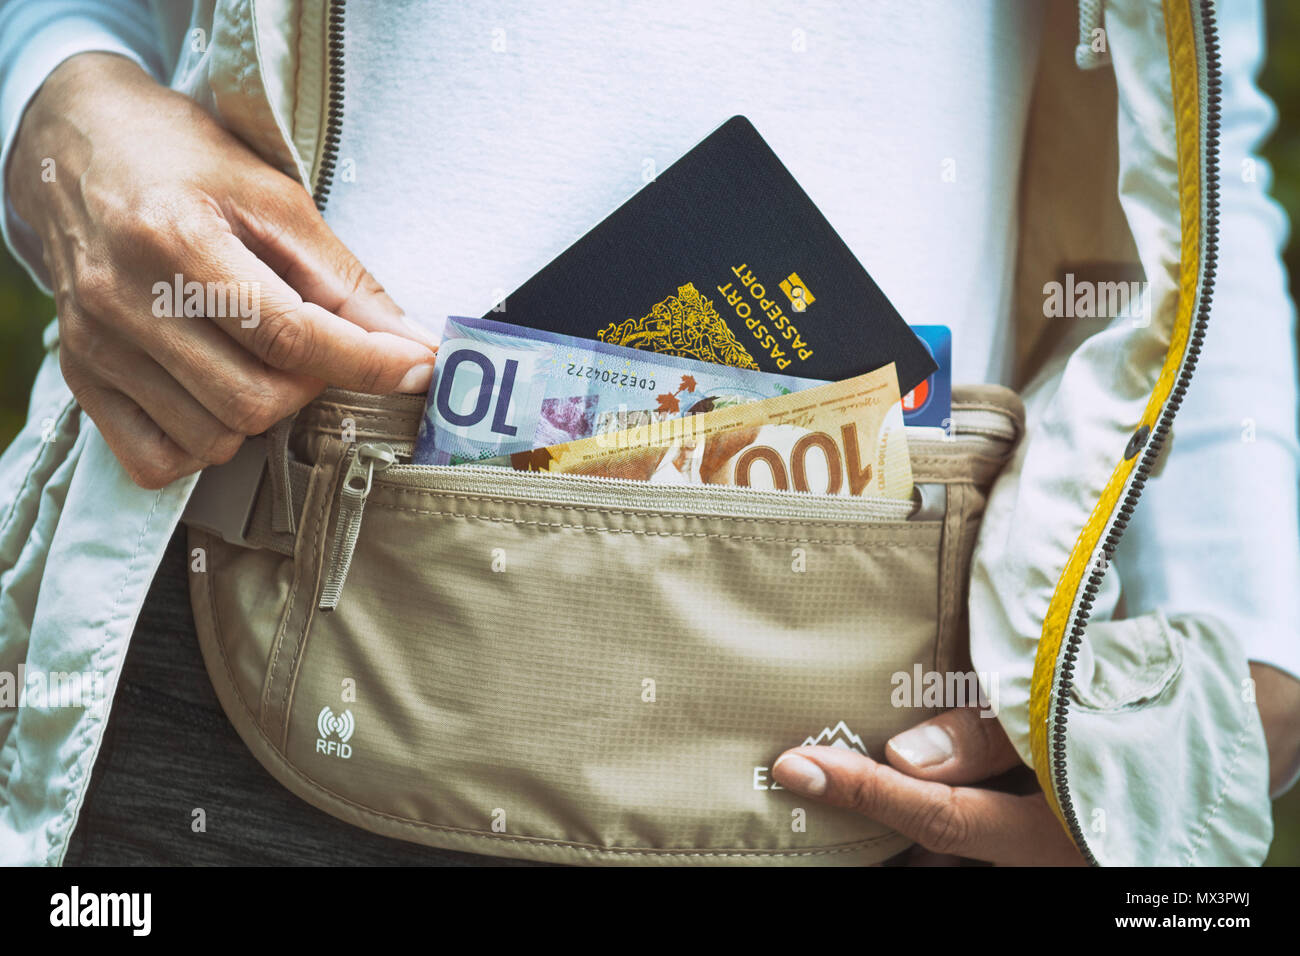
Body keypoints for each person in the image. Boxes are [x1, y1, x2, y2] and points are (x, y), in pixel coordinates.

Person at [0, 0, 1296, 866]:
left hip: (890, 715)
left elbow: (1185, 141)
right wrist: (54, 104)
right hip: (223, 623)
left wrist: (1256, 670)